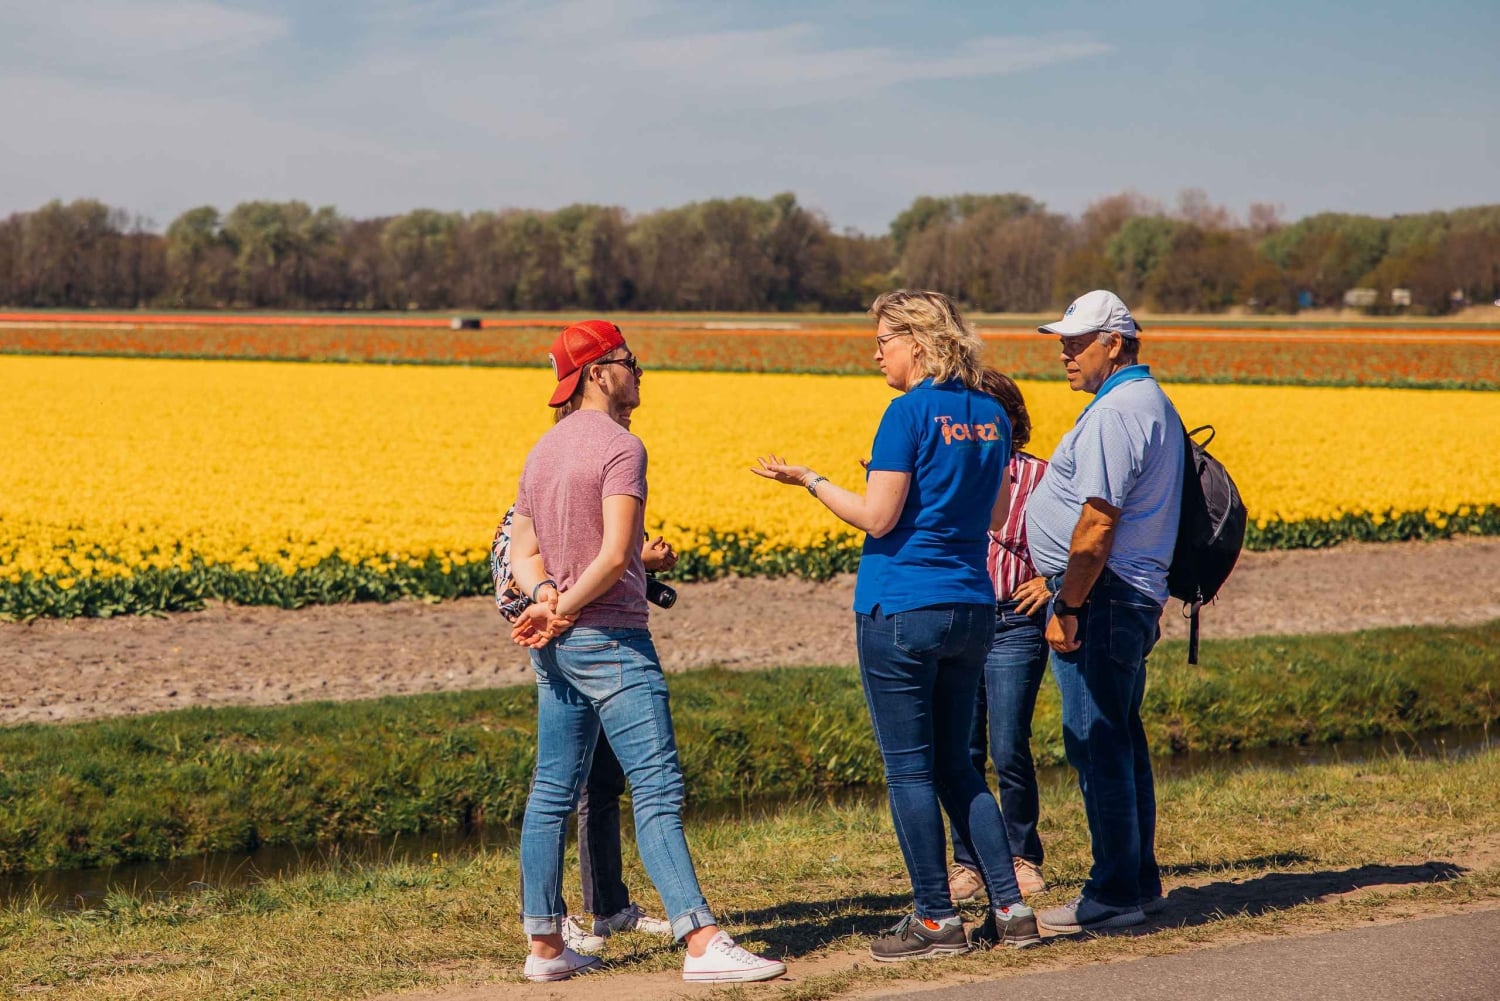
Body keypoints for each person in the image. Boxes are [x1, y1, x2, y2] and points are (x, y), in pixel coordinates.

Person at [753, 290, 1039, 960]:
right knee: (959, 768)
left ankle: (937, 919)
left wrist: (814, 480)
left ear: (919, 340)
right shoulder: (991, 414)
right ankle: (1013, 907)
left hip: (902, 605)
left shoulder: (906, 412)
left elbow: (880, 518)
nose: (875, 351)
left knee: (909, 769)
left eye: (884, 338)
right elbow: (995, 515)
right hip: (973, 607)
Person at [507, 319, 786, 984]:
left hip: (558, 642)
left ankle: (544, 946)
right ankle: (701, 939)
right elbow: (613, 553)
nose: (639, 372)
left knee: (552, 790)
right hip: (613, 637)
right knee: (658, 789)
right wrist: (569, 605)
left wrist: (546, 599)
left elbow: (523, 550)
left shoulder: (541, 451)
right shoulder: (622, 447)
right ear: (598, 372)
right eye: (628, 360)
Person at [1024, 290, 1183, 933]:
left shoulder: (1118, 412)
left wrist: (1067, 604)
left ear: (1113, 344)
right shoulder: (1145, 403)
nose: (1064, 353)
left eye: (1076, 341)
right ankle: (1138, 883)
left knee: (1096, 742)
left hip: (1101, 595)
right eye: (1062, 341)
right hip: (1125, 594)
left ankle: (1114, 893)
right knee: (1120, 738)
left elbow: (1095, 526)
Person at [946, 369, 1053, 905]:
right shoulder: (950, 470)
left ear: (1008, 419)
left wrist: (1050, 581)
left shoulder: (1043, 476)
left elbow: (1081, 536)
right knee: (961, 748)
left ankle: (1021, 854)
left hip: (1014, 622)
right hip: (961, 623)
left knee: (1009, 744)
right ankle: (967, 862)